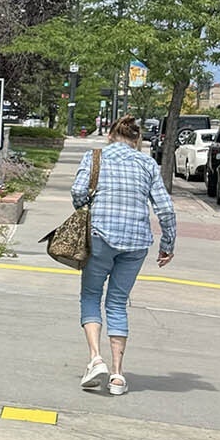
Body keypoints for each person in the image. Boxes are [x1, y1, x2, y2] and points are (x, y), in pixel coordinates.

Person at [72, 115, 176, 396]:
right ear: (136, 140)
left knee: (91, 295)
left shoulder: (95, 157)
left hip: (100, 237)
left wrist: (88, 204)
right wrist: (168, 242)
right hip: (136, 243)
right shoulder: (147, 164)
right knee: (117, 302)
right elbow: (165, 209)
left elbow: (79, 192)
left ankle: (96, 360)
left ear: (110, 135)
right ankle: (117, 375)